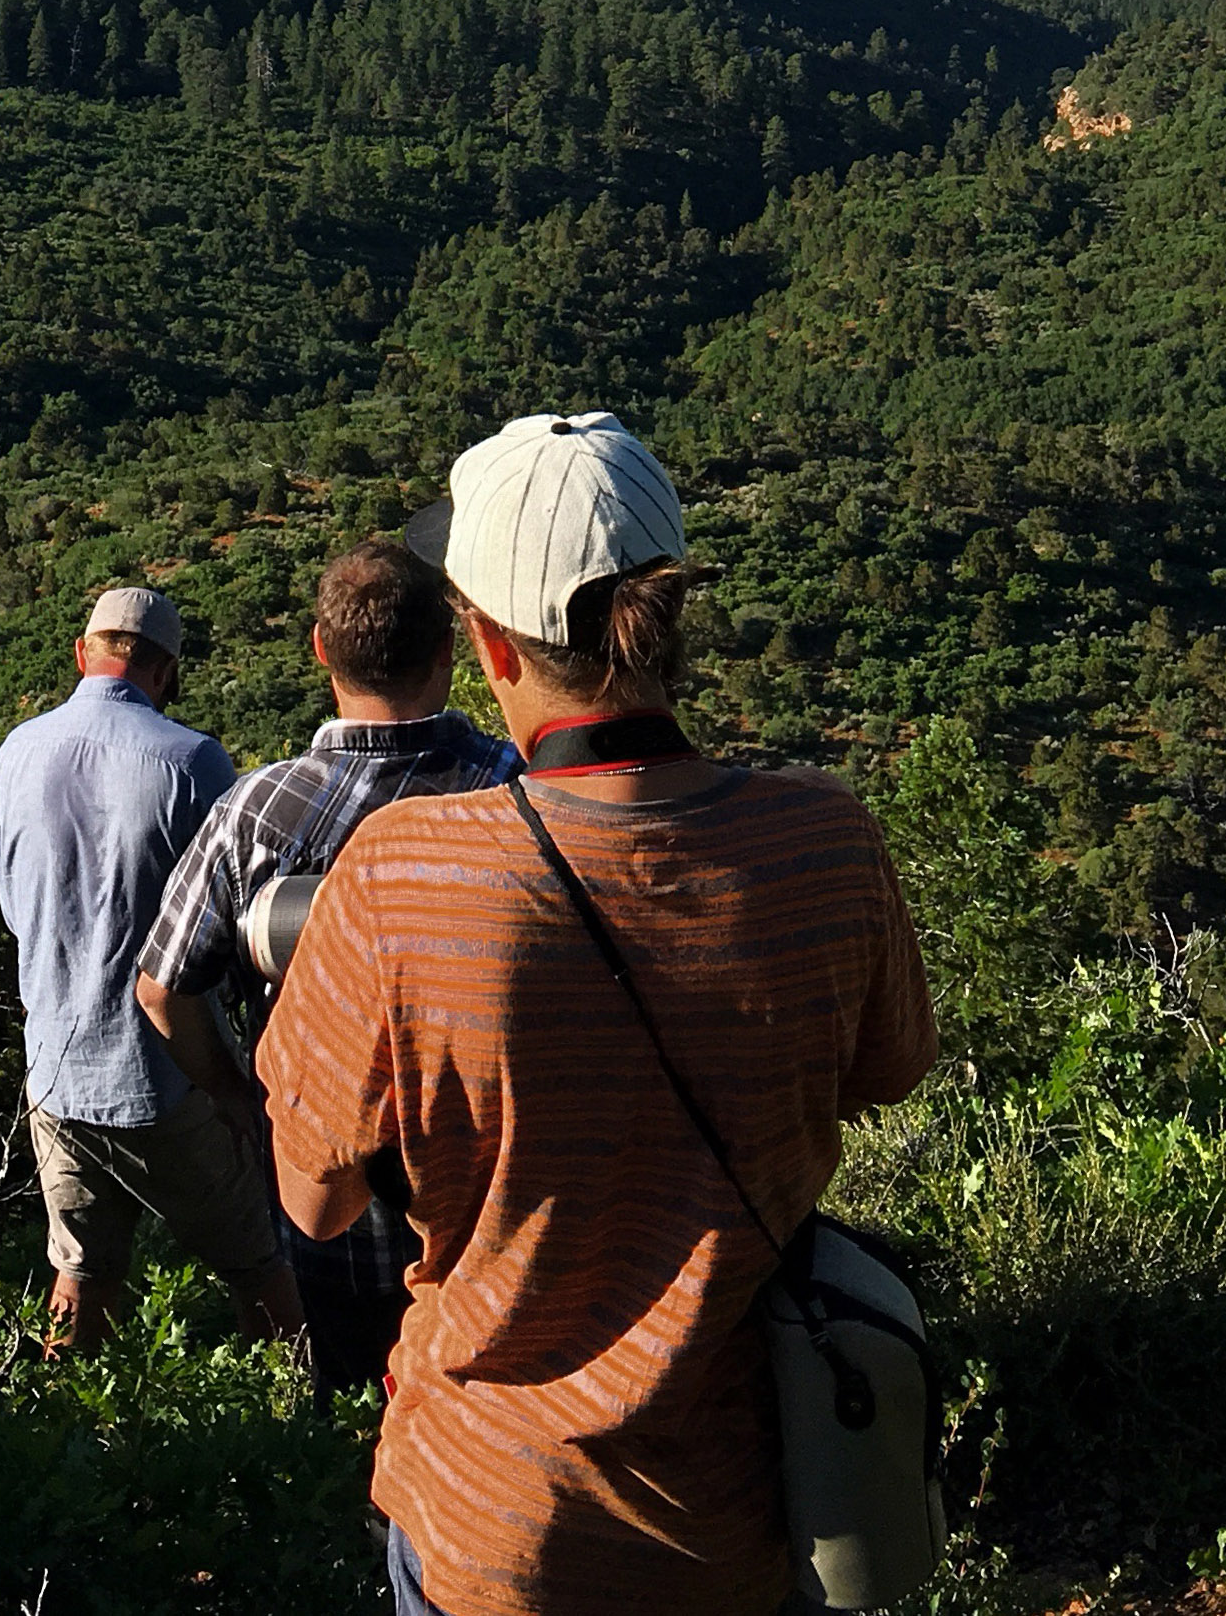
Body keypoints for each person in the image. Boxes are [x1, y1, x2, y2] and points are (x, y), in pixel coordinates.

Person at [261, 416, 937, 1616]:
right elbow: (885, 1070)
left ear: (484, 641)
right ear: (666, 613)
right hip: (751, 1515)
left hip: (494, 1524)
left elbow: (317, 1201)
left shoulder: (401, 878)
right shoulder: (826, 840)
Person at [128, 536, 516, 1393]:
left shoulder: (254, 811)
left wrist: (239, 1096)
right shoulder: (510, 791)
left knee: (346, 1437)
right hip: (494, 1222)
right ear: (449, 650)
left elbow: (160, 986)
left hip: (328, 1228)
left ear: (318, 648)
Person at [0, 582, 278, 1349]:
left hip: (53, 1068)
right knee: (265, 1270)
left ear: (84, 654)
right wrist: (233, 1082)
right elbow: (235, 923)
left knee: (82, 1277)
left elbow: (16, 910)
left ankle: (71, 1438)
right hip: (167, 1074)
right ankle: (297, 1435)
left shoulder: (15, 751)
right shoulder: (191, 761)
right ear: (164, 671)